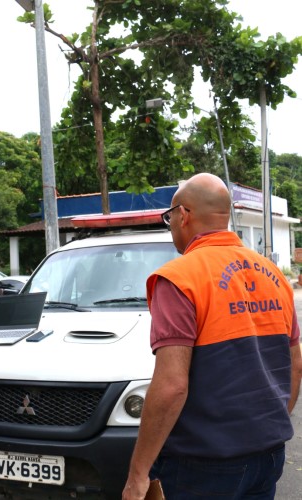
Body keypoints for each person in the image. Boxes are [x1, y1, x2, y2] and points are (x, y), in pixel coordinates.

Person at [122, 173, 302, 500]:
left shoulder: (179, 278)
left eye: (169, 216)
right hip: (268, 453)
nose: (171, 223)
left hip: (203, 464)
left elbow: (173, 385)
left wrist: (138, 474)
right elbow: (295, 365)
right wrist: (266, 428)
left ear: (184, 215)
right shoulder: (275, 276)